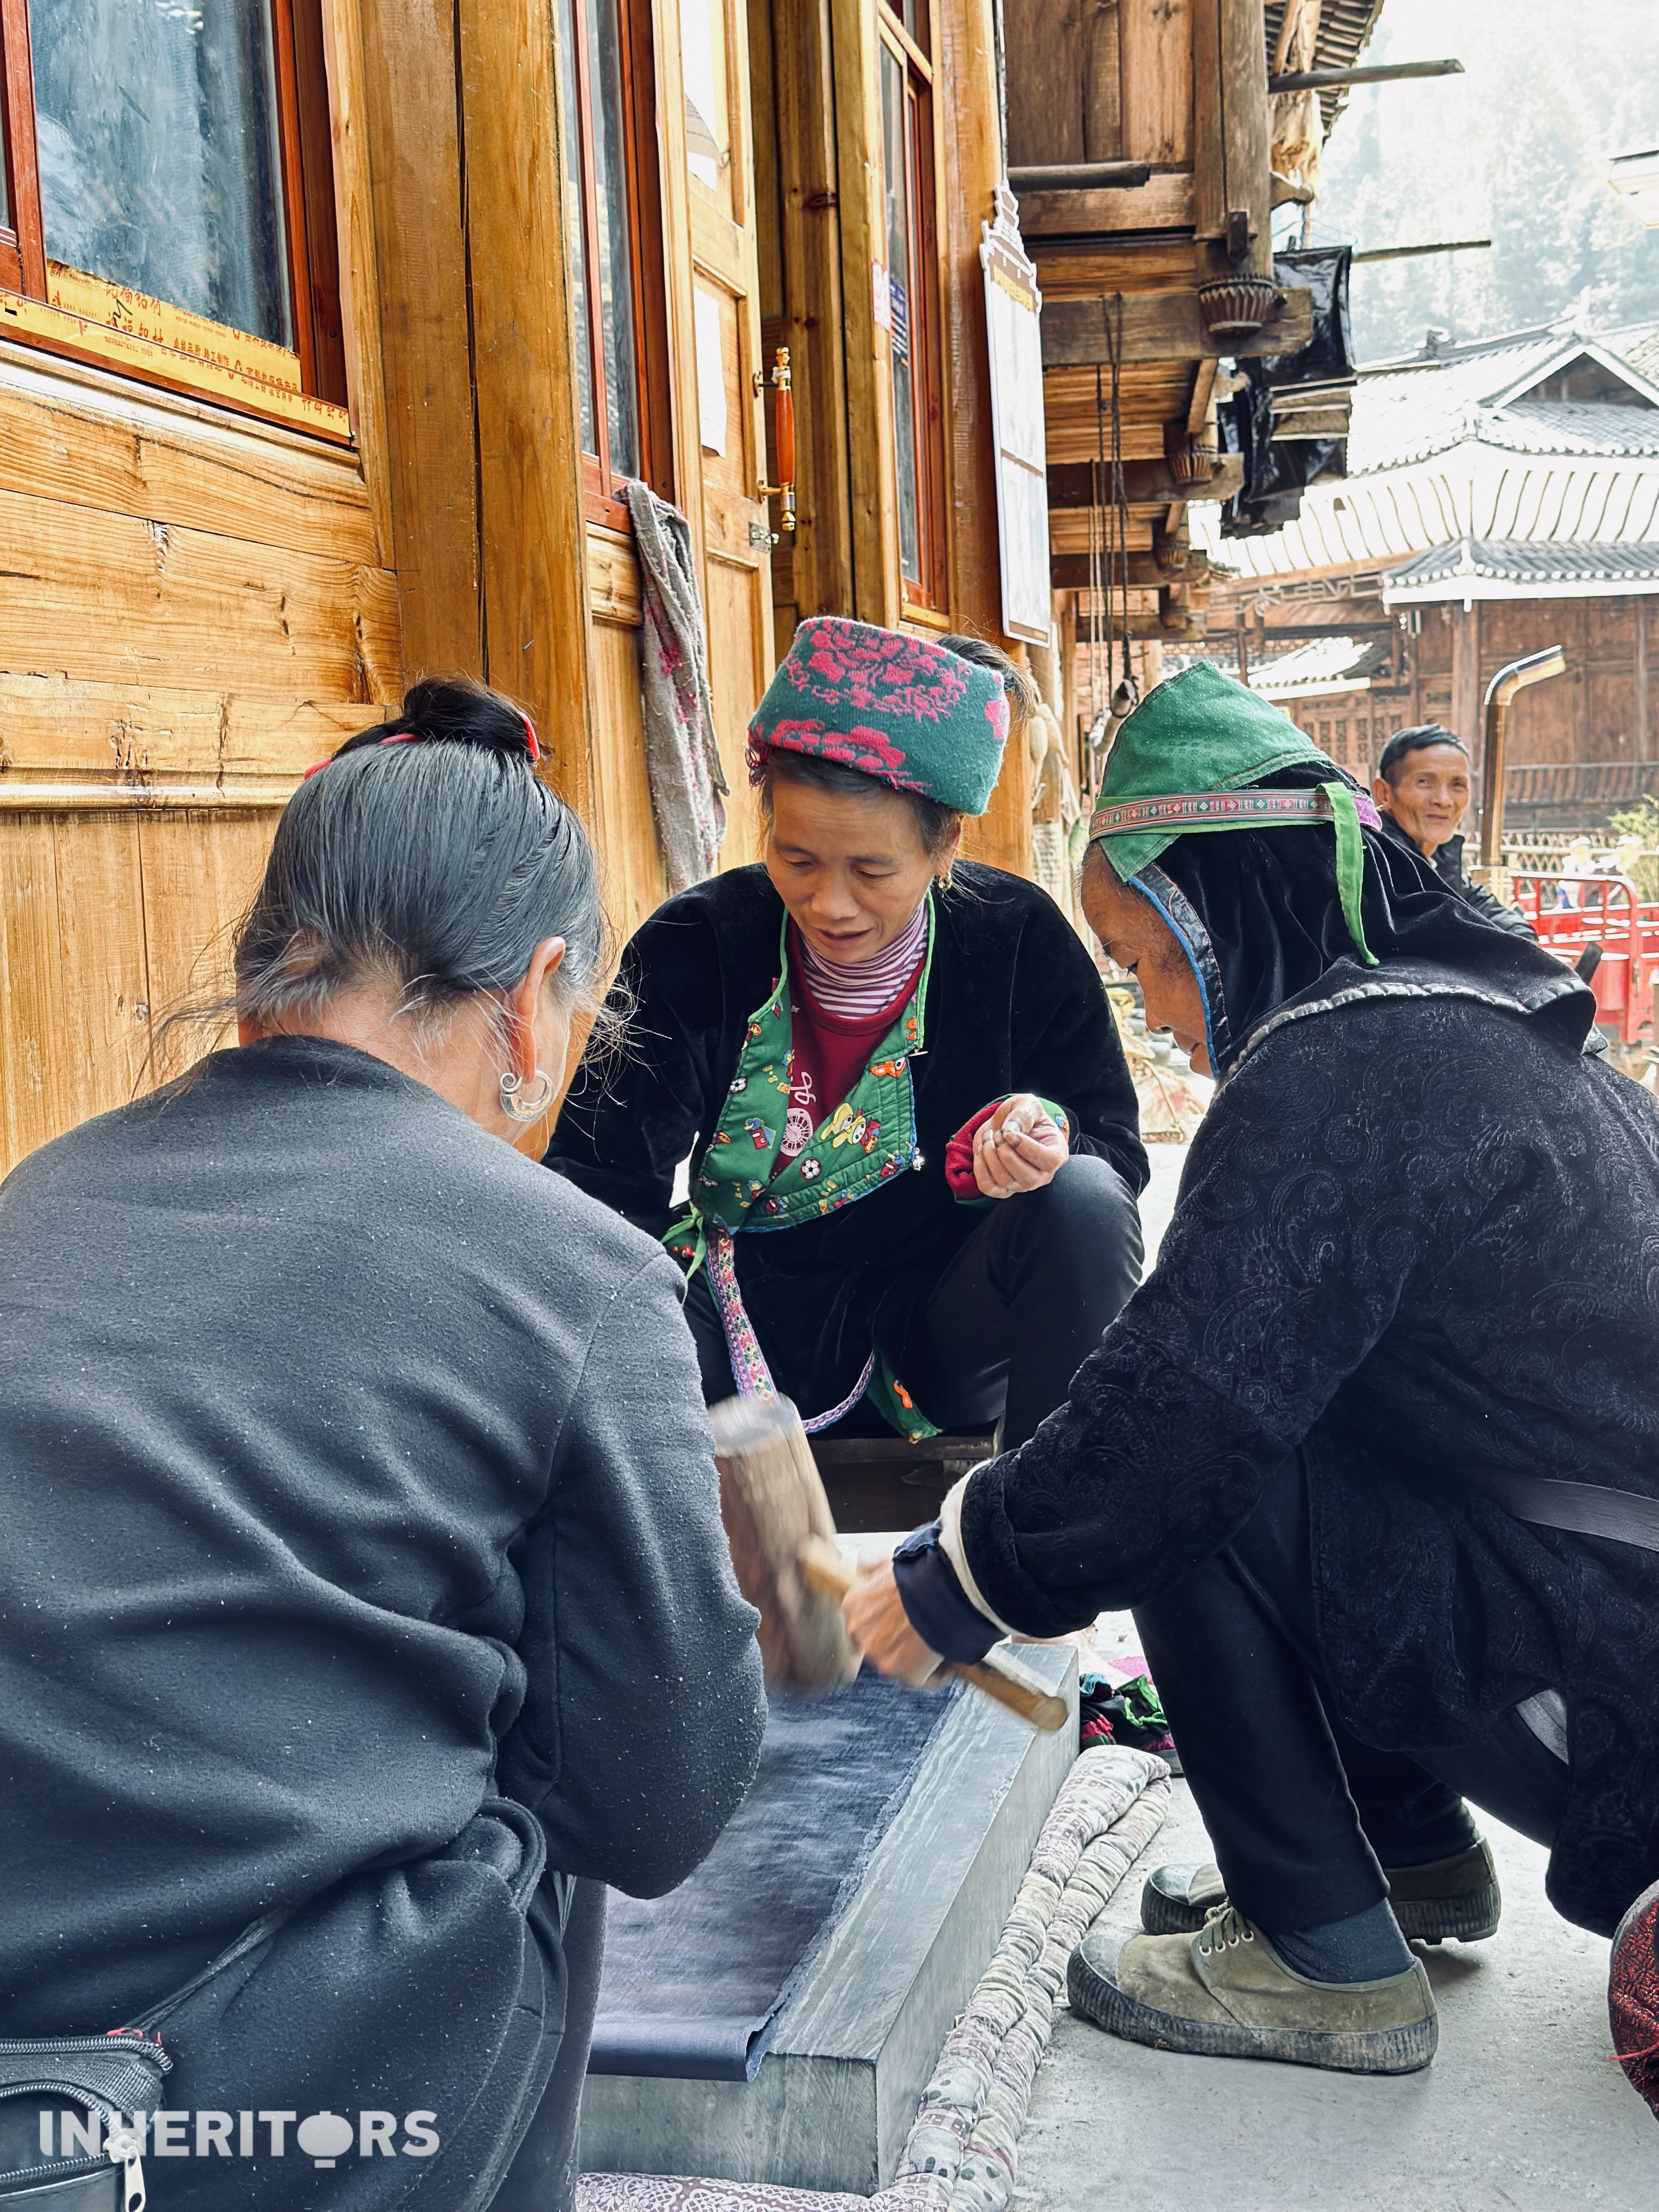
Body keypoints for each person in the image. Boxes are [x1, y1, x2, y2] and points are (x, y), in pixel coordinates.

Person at [0, 679, 766, 2210]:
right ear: (537, 995)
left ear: (261, 962)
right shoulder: (575, 1274)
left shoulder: (35, 1201)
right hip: (240, 2104)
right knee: (566, 1809)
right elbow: (665, 1803)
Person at [844, 661, 1659, 2089]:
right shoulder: (1471, 1019)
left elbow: (1176, 1424)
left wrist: (944, 1580)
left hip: (1616, 1692)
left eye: (1144, 953)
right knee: (1282, 1399)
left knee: (1186, 1454)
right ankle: (1403, 1866)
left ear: (1220, 909)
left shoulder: (1345, 1071)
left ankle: (1321, 1956)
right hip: (1605, 1619)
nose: (1152, 1011)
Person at [548, 617, 1147, 1453]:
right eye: (797, 861)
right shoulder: (698, 943)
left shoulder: (1017, 940)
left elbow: (1113, 1146)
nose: (830, 904)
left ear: (948, 845)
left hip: (942, 1322)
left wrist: (1044, 1136)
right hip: (736, 1311)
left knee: (1080, 1201)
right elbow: (598, 1184)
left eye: (872, 870)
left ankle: (1040, 1534)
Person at [1372, 723, 1537, 937]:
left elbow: (1492, 912)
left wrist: (1525, 943)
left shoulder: (1439, 860)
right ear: (1384, 793)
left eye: (1457, 784)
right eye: (1424, 782)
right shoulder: (1374, 865)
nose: (1444, 800)